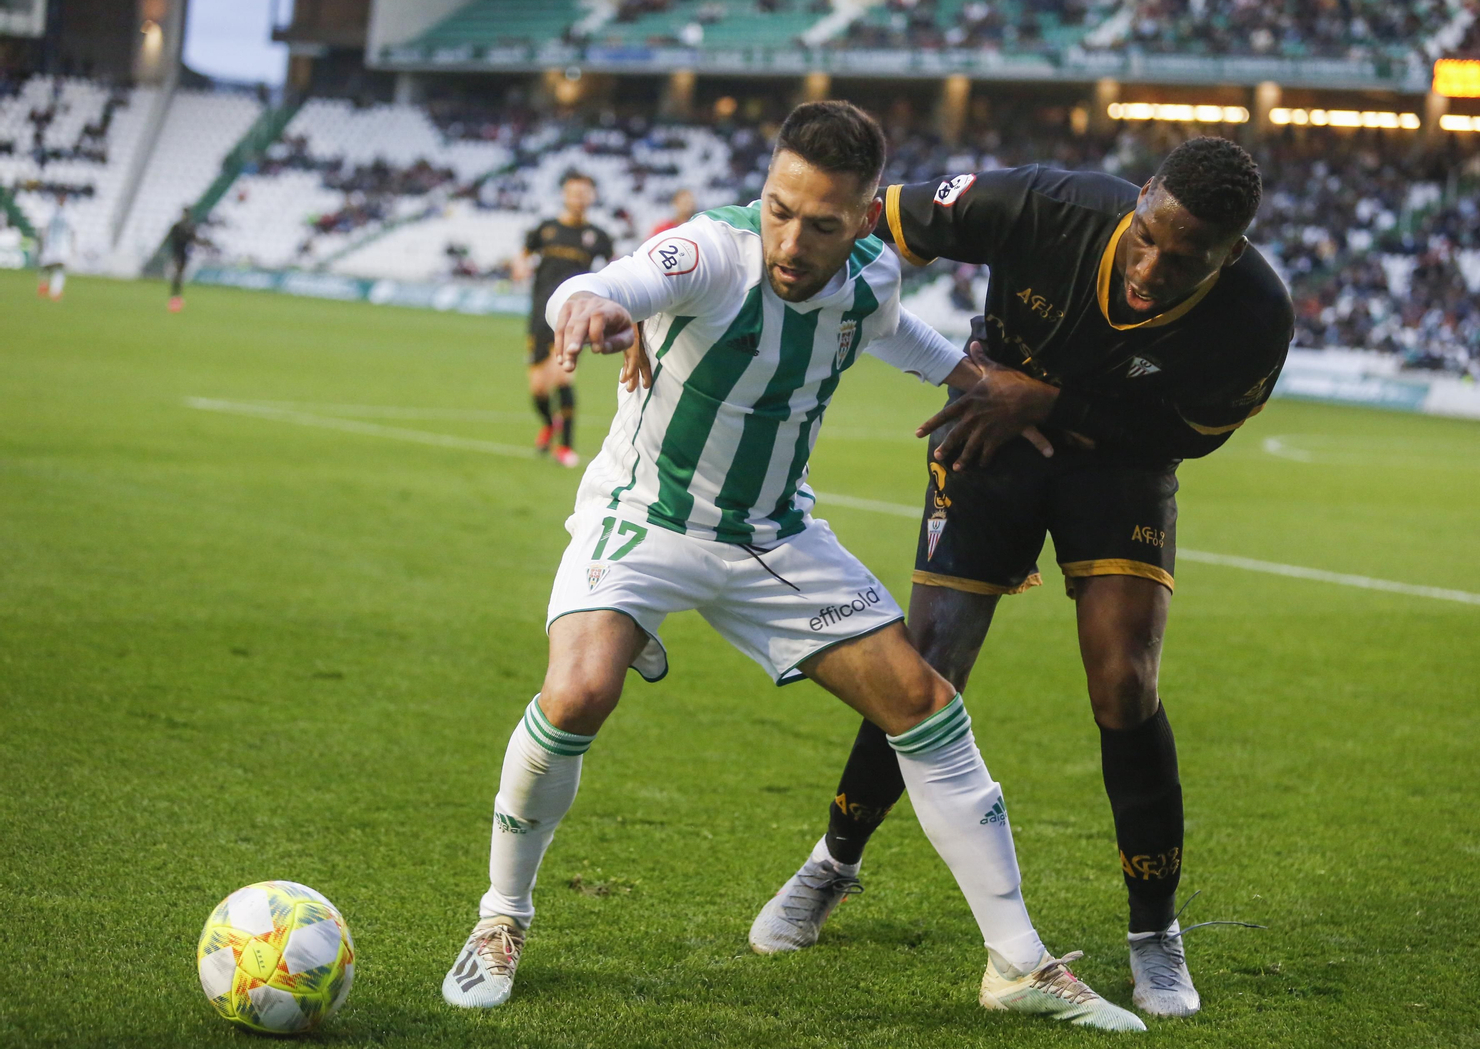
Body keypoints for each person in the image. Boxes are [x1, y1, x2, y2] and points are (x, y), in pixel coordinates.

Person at [440, 101, 1144, 1032]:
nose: (790, 239)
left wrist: (979, 384)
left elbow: (898, 335)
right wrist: (593, 310)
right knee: (577, 694)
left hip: (774, 538)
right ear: (764, 191)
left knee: (926, 705)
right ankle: (501, 921)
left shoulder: (870, 280)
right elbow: (606, 282)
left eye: (820, 223)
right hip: (646, 518)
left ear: (862, 218)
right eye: (778, 208)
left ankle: (1018, 963)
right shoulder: (709, 252)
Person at [748, 138, 1294, 1021]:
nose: (1153, 266)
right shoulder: (1048, 205)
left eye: (1185, 257)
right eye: (1148, 234)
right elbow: (872, 221)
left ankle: (1154, 932)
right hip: (989, 431)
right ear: (1138, 198)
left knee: (1125, 681)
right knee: (926, 667)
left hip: (1121, 462)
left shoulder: (1257, 316)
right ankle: (832, 863)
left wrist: (1051, 402)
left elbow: (1193, 433)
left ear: (1230, 255)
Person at [517, 171, 614, 468]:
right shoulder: (545, 229)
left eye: (585, 193)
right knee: (538, 388)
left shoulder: (598, 236)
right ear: (564, 195)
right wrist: (520, 267)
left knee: (564, 377)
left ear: (593, 197)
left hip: (574, 316)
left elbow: (614, 268)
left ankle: (566, 447)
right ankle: (549, 423)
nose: (579, 198)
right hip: (539, 314)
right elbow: (523, 254)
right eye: (574, 192)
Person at [164, 207, 202, 312]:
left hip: (183, 253)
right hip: (178, 252)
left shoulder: (187, 227)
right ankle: (175, 296)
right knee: (178, 274)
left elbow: (193, 239)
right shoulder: (179, 226)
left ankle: (176, 295)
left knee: (179, 274)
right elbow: (171, 238)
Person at [36, 195, 73, 301]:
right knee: (45, 267)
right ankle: (43, 286)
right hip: (50, 244)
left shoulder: (69, 213)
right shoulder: (50, 211)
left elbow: (72, 231)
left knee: (60, 268)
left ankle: (55, 291)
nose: (61, 199)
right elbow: (44, 227)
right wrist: (43, 241)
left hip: (62, 246)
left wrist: (71, 247)